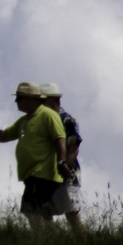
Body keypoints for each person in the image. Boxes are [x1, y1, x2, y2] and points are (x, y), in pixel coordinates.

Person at [0, 82, 67, 231]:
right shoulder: (25, 120)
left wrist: (62, 162)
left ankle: (42, 238)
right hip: (33, 174)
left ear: (31, 99)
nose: (16, 101)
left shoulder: (48, 115)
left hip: (44, 174)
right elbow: (5, 135)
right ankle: (54, 239)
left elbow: (60, 138)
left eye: (19, 98)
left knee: (30, 210)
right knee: (43, 212)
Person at [39, 83, 86, 233]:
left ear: (53, 101)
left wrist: (62, 169)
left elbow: (74, 147)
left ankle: (84, 244)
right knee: (45, 211)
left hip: (65, 175)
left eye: (42, 101)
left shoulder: (65, 119)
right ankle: (53, 243)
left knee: (71, 214)